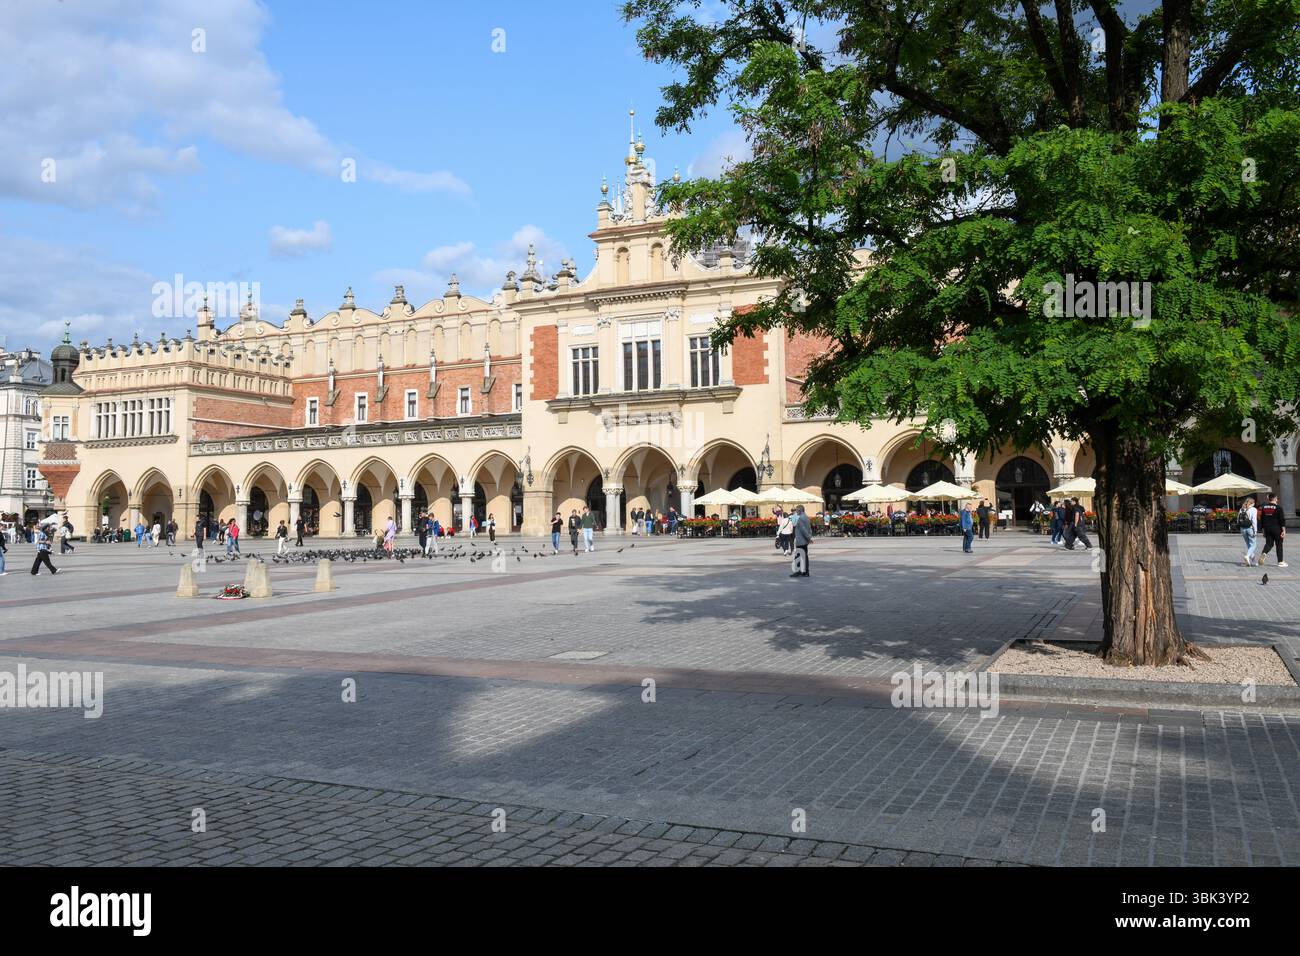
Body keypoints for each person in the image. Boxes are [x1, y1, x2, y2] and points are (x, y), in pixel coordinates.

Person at [1257, 493, 1287, 568]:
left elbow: (1262, 520)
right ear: (1275, 498)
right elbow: (1282, 520)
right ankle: (1280, 561)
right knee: (1279, 544)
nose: (1277, 500)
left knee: (1269, 544)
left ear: (1269, 499)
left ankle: (1264, 553)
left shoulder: (1264, 507)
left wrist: (1263, 530)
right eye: (1277, 498)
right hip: (1277, 528)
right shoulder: (1279, 508)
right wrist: (1284, 530)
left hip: (1267, 528)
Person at [790, 505, 812, 577]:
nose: (796, 512)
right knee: (804, 556)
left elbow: (803, 530)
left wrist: (808, 538)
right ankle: (805, 572)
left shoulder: (801, 519)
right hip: (804, 540)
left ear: (799, 511)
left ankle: (798, 571)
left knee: (798, 556)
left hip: (801, 540)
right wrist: (809, 537)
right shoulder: (807, 518)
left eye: (796, 510)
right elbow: (809, 529)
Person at [1240, 496, 1259, 566]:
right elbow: (1254, 521)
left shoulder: (1242, 509)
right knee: (1254, 545)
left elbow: (1238, 519)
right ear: (1252, 503)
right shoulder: (1253, 509)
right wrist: (1255, 531)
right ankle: (1247, 556)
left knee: (1249, 545)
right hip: (1250, 528)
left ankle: (1253, 561)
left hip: (1242, 529)